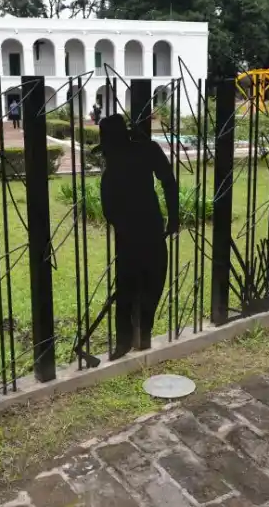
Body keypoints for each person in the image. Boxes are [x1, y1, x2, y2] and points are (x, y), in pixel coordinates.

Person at [96, 114, 179, 359]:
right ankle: (132, 337)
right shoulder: (145, 151)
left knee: (135, 285)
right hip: (140, 229)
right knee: (137, 285)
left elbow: (167, 181)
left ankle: (132, 338)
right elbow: (168, 181)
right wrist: (173, 217)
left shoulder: (138, 153)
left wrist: (173, 217)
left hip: (139, 229)